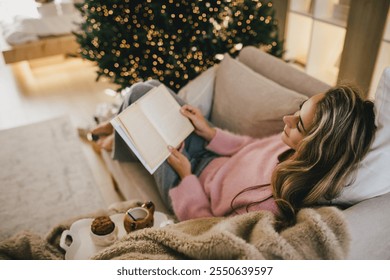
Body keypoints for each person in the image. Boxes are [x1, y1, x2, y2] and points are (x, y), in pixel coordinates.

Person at [92, 80, 376, 229]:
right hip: (210, 156)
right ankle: (117, 131)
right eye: (299, 109)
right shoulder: (291, 146)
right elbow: (246, 148)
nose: (287, 119)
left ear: (318, 148)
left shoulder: (272, 205)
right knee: (147, 89)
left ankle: (113, 133)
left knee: (139, 104)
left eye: (298, 124)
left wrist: (187, 177)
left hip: (192, 186)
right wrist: (210, 133)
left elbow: (207, 228)